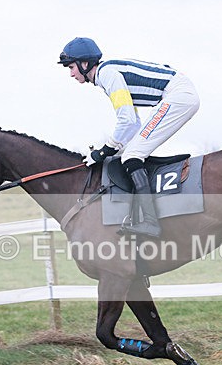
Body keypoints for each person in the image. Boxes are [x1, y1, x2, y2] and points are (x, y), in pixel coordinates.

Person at [58, 37, 200, 237]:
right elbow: (133, 123)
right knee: (131, 152)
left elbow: (125, 119)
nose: (71, 73)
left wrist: (104, 151)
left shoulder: (107, 74)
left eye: (71, 67)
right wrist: (114, 147)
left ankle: (151, 222)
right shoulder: (107, 75)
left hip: (177, 96)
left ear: (84, 63)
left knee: (132, 155)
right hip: (177, 95)